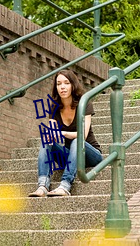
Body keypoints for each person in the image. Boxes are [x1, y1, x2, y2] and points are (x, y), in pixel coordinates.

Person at [28, 69, 103, 197]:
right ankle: (43, 185)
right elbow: (52, 132)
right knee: (47, 141)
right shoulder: (55, 107)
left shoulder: (84, 104)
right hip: (70, 157)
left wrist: (62, 134)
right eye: (59, 84)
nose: (62, 87)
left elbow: (83, 136)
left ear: (73, 85)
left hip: (90, 155)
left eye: (66, 83)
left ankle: (65, 185)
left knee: (76, 141)